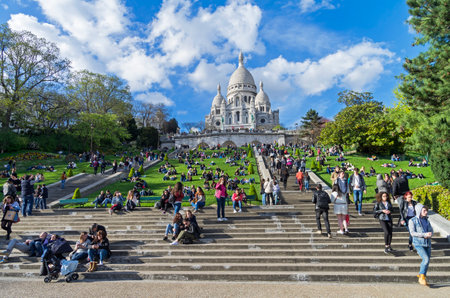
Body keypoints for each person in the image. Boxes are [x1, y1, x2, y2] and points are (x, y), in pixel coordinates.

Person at [409, 204, 433, 286]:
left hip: (427, 243)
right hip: (418, 243)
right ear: (419, 211)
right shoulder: (412, 220)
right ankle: (421, 276)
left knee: (427, 261)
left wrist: (430, 233)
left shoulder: (427, 220)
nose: (426, 212)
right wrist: (424, 234)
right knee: (425, 259)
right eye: (424, 211)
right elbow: (412, 233)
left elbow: (431, 230)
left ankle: (422, 277)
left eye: (426, 211)